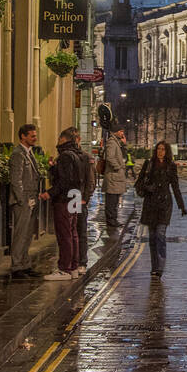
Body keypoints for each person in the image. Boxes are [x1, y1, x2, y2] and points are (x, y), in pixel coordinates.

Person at [136, 141, 187, 277]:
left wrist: (181, 205)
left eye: (163, 149)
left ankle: (160, 266)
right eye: (158, 149)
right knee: (152, 237)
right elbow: (139, 183)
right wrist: (147, 188)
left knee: (160, 234)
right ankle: (154, 266)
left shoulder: (171, 166)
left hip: (164, 204)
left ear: (167, 151)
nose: (160, 151)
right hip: (151, 204)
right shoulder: (149, 164)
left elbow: (175, 187)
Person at [41, 127, 84, 280]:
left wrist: (49, 193)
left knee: (64, 233)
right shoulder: (77, 155)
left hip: (65, 198)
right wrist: (54, 168)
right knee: (73, 233)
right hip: (75, 196)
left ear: (63, 140)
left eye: (59, 139)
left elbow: (64, 181)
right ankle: (73, 266)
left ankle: (64, 268)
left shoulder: (65, 156)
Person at [8, 124, 41, 278]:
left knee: (28, 234)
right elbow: (16, 180)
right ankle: (16, 266)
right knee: (20, 233)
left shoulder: (29, 152)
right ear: (23, 136)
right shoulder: (18, 154)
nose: (35, 138)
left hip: (32, 198)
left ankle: (25, 264)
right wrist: (21, 200)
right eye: (32, 136)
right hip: (24, 200)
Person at [99, 104, 127, 228]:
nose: (123, 133)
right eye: (121, 131)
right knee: (111, 201)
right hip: (113, 177)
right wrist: (118, 167)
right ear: (117, 132)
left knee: (114, 201)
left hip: (116, 178)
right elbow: (110, 157)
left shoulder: (117, 143)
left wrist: (124, 144)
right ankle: (111, 220)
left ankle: (113, 219)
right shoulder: (112, 142)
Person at [75, 129, 95, 274]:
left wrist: (85, 199)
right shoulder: (66, 156)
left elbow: (91, 181)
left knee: (81, 231)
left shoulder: (86, 157)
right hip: (69, 198)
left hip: (79, 198)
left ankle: (82, 262)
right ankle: (72, 262)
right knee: (70, 232)